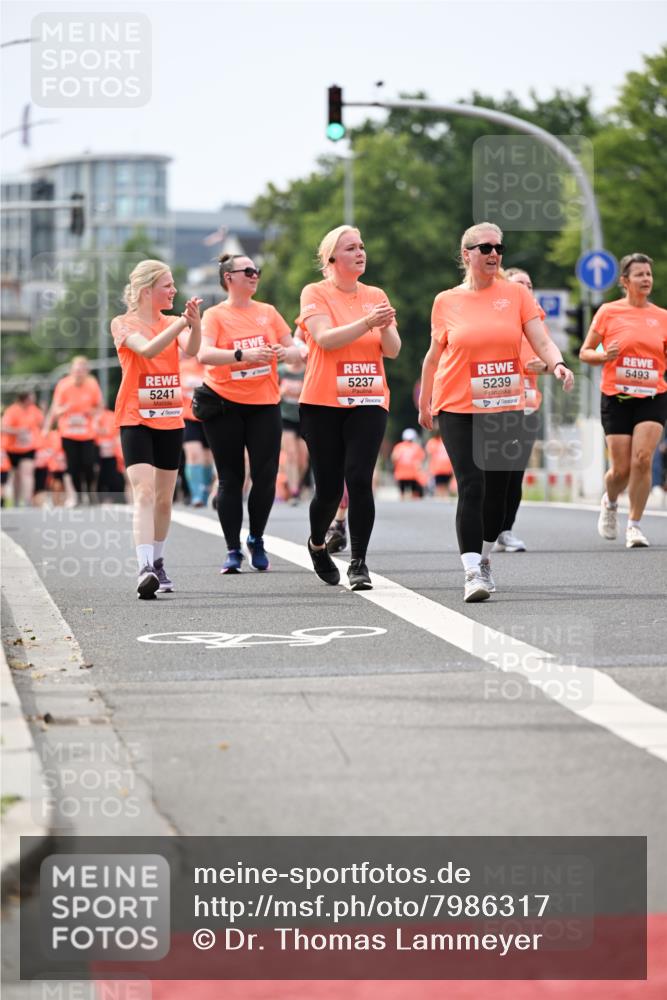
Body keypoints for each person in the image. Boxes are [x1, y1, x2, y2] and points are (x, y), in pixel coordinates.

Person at [418, 222, 574, 603]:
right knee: (472, 485)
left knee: (499, 491)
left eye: (499, 248)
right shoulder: (446, 301)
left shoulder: (516, 295)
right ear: (466, 254)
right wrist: (425, 401)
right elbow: (434, 356)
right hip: (457, 404)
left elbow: (540, 338)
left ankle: (485, 557)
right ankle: (472, 571)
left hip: (505, 404)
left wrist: (557, 363)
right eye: (484, 247)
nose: (493, 254)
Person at [296, 224, 400, 590]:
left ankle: (359, 563)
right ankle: (317, 543)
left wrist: (383, 326)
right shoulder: (315, 292)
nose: (361, 252)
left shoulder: (376, 294)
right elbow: (324, 339)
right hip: (323, 402)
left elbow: (393, 350)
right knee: (327, 489)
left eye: (362, 245)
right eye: (352, 248)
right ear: (332, 259)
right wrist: (367, 322)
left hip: (370, 398)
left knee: (359, 479)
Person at [197, 253, 301, 573]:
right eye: (248, 271)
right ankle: (232, 549)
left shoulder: (268, 312)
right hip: (224, 403)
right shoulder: (215, 315)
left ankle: (256, 537)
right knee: (230, 478)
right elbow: (204, 354)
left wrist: (286, 352)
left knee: (266, 475)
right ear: (229, 278)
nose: (255, 275)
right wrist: (242, 354)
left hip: (264, 404)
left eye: (257, 271)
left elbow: (297, 351)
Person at [111, 259, 202, 598]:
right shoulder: (123, 323)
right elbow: (148, 349)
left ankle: (159, 561)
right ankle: (144, 567)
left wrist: (196, 324)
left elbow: (193, 351)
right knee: (145, 493)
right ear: (147, 291)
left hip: (169, 418)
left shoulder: (170, 322)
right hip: (135, 418)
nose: (174, 290)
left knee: (164, 499)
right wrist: (182, 324)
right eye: (168, 285)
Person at [579, 252, 667, 547]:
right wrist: (604, 356)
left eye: (649, 274)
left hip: (652, 395)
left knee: (643, 460)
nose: (646, 279)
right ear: (624, 281)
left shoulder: (662, 317)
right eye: (639, 274)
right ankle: (611, 500)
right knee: (621, 469)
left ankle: (635, 524)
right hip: (616, 397)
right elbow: (584, 352)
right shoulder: (608, 312)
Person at [492, 267, 549, 553]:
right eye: (519, 283)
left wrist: (549, 366)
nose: (525, 288)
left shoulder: (537, 323)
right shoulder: (495, 319)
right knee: (490, 472)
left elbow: (548, 357)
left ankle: (505, 529)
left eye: (529, 283)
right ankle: (484, 526)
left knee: (514, 474)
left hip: (527, 407)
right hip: (494, 405)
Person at [43, 356, 103, 505]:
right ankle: (78, 495)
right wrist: (47, 426)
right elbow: (54, 408)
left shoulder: (92, 384)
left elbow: (100, 407)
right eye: (76, 370)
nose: (79, 373)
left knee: (89, 464)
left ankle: (90, 491)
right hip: (68, 433)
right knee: (73, 466)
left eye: (82, 371)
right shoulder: (63, 385)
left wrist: (93, 416)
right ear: (71, 371)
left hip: (87, 433)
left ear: (87, 372)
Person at [180, 351, 214, 507]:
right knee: (194, 455)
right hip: (188, 417)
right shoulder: (183, 367)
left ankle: (206, 493)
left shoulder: (212, 366)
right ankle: (196, 495)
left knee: (207, 459)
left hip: (209, 418)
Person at [1, 391, 44, 505]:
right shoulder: (12, 411)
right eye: (31, 398)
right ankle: (16, 501)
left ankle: (27, 501)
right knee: (16, 476)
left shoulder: (34, 410)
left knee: (27, 473)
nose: (33, 401)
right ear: (24, 399)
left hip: (28, 448)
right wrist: (18, 431)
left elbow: (42, 422)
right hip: (12, 449)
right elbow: (3, 428)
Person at [391, 428, 426, 499]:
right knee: (414, 495)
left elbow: (394, 458)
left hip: (402, 474)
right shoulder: (416, 447)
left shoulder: (399, 446)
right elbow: (421, 461)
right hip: (413, 475)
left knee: (402, 494)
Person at [425, 431, 454, 498]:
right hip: (439, 469)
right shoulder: (433, 442)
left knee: (442, 488)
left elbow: (429, 457)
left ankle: (442, 500)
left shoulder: (434, 442)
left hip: (445, 469)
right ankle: (441, 500)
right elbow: (430, 457)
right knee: (441, 488)